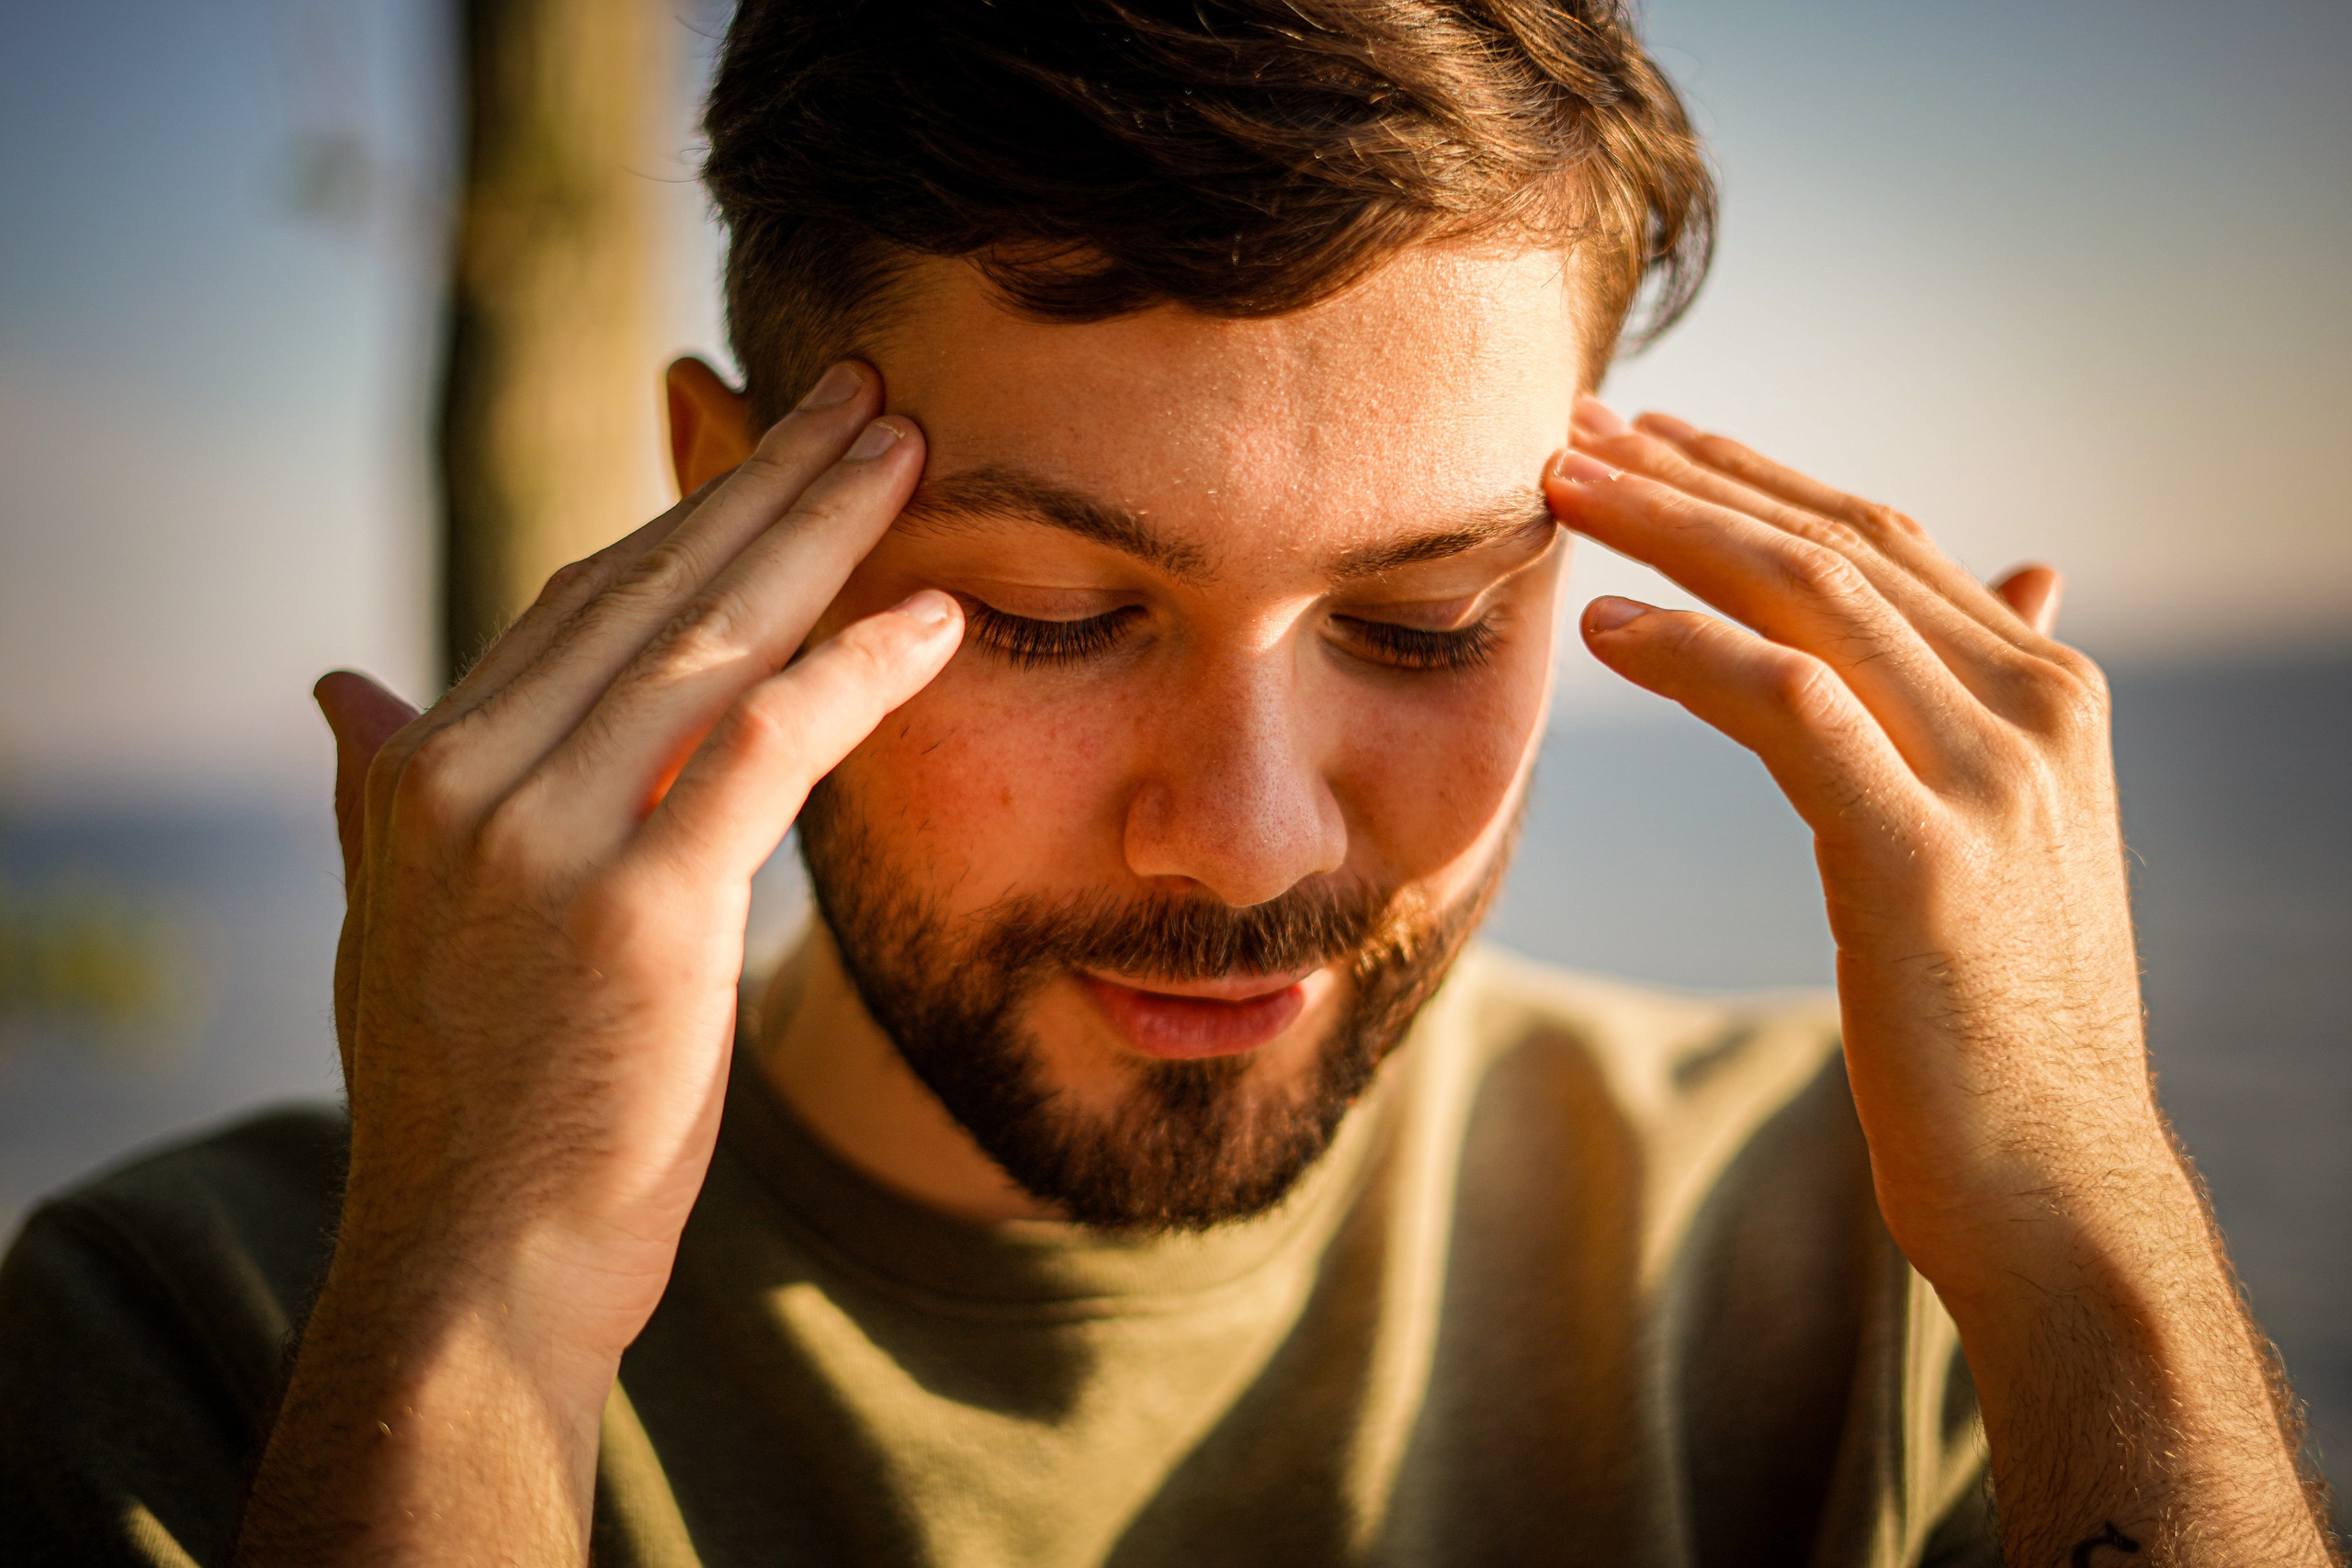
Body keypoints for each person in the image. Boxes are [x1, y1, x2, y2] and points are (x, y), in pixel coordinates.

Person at [0, 1, 2337, 1563]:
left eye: (1426, 621)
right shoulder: (219, 1337)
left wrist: (2084, 1231)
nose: (1247, 837)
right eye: (1044, 611)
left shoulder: (1873, 1261)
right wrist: (478, 1318)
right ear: (719, 518)